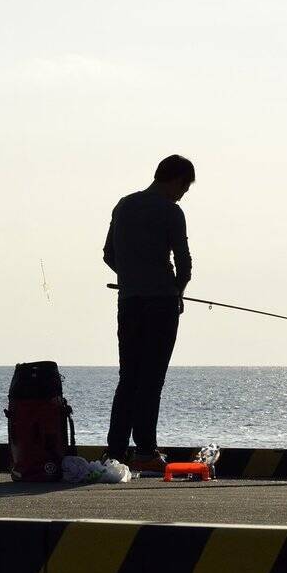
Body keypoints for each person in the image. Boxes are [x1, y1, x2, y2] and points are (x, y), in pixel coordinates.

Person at [102, 154, 194, 473]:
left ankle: (115, 451)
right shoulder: (171, 212)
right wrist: (177, 290)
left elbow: (109, 254)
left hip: (128, 302)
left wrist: (131, 275)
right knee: (152, 379)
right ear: (176, 180)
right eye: (184, 188)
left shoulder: (124, 206)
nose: (182, 195)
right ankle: (145, 450)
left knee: (128, 377)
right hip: (161, 304)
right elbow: (184, 263)